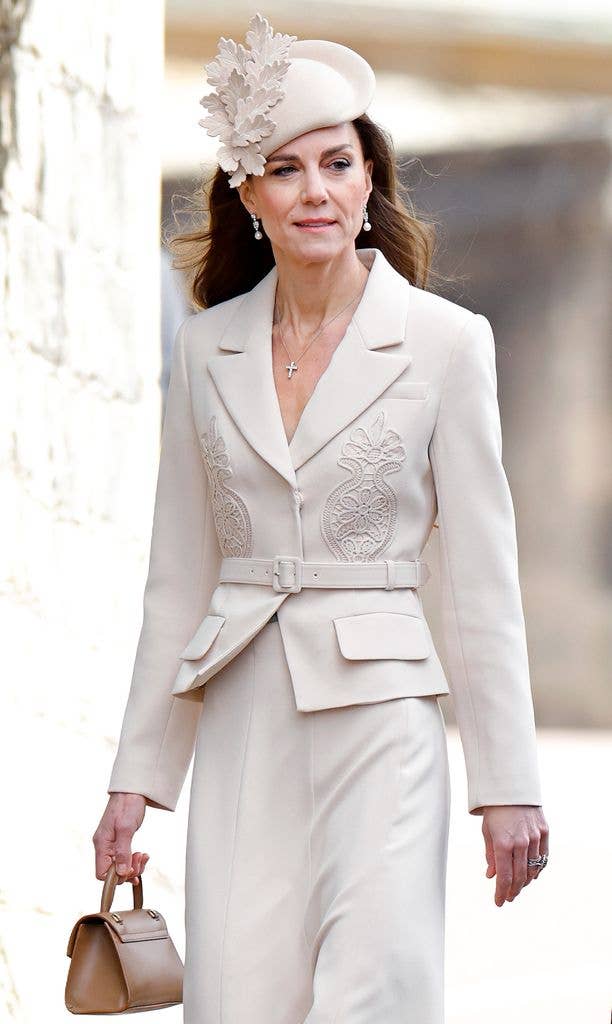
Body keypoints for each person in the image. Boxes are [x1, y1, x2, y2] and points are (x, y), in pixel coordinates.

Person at [93, 13, 549, 1023]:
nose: (317, 191)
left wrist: (506, 781)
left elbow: (479, 580)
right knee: (237, 1004)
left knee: (374, 997)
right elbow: (178, 581)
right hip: (246, 721)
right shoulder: (205, 351)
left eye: (338, 163)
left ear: (370, 180)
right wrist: (139, 782)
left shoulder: (445, 344)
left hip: (385, 725)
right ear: (248, 194)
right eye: (287, 170)